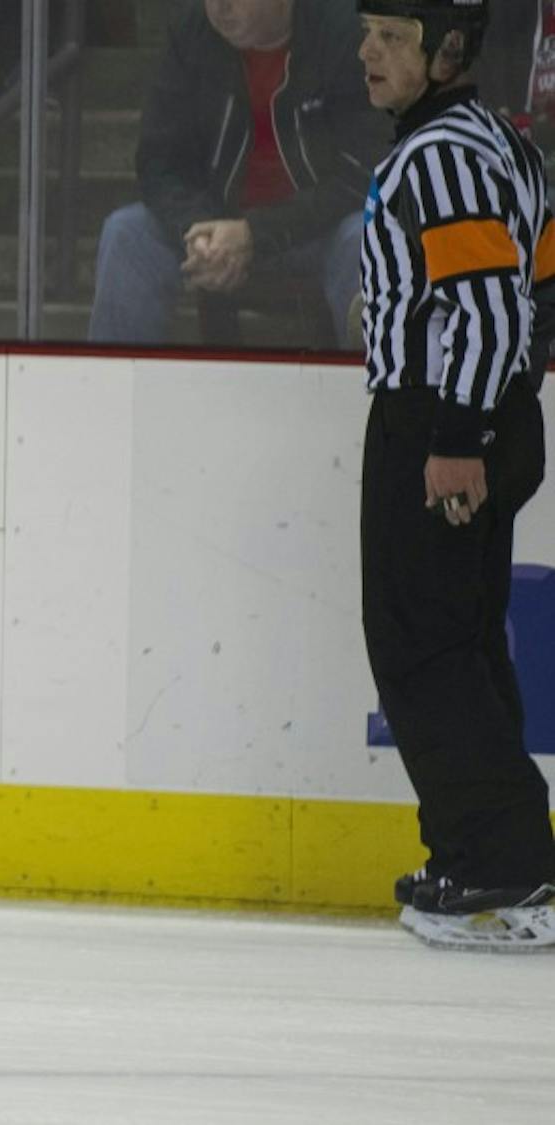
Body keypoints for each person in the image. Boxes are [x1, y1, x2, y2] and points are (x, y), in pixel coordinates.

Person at [356, 0, 555, 951]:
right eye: (367, 32)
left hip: (441, 425)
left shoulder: (439, 156)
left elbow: (481, 306)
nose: (368, 52)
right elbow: (543, 284)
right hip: (481, 415)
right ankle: (489, 852)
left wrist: (458, 432)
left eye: (391, 38)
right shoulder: (500, 143)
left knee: (423, 646)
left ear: (447, 54)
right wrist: (501, 405)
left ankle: (504, 865)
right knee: (461, 641)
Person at [88, 0, 386, 348]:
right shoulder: (191, 33)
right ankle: (114, 395)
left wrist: (255, 234)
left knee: (368, 237)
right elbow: (160, 161)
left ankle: (376, 393)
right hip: (217, 226)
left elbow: (366, 172)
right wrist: (197, 231)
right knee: (127, 234)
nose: (220, 7)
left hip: (316, 230)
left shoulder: (346, 33)